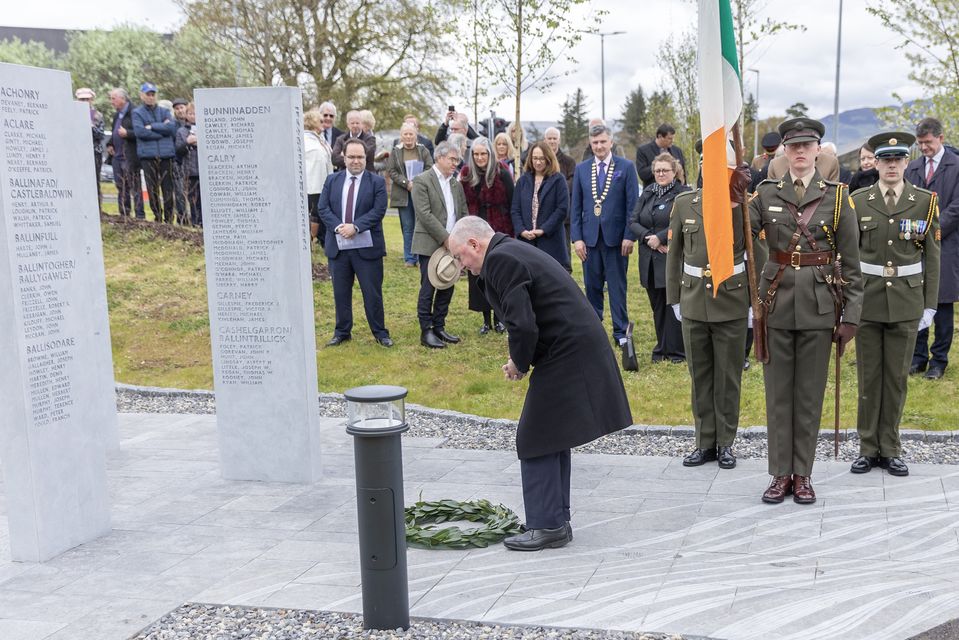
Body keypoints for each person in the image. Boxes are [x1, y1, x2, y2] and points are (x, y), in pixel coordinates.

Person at [447, 216, 633, 551]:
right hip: (571, 346)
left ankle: (547, 525)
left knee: (534, 435)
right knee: (551, 433)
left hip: (569, 350)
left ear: (474, 244)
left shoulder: (501, 259)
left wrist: (518, 363)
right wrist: (521, 358)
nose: (461, 265)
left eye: (461, 256)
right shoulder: (510, 251)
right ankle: (555, 520)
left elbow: (523, 325)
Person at [749, 117, 863, 505]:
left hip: (819, 305)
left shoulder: (837, 196)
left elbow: (851, 261)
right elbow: (741, 236)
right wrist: (731, 199)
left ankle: (803, 474)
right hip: (776, 302)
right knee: (779, 395)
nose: (799, 152)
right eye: (792, 146)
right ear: (783, 150)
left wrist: (851, 316)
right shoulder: (764, 194)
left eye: (806, 146)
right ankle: (780, 473)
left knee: (809, 394)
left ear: (818, 150)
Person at [850, 132, 940, 478]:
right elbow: (848, 255)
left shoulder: (924, 201)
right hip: (869, 300)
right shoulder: (858, 200)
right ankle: (867, 448)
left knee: (896, 379)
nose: (890, 166)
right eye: (884, 160)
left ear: (906, 162)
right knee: (869, 378)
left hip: (906, 301)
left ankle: (890, 448)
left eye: (897, 160)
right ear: (876, 163)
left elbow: (932, 257)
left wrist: (929, 304)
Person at [667, 164, 759, 469]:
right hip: (694, 300)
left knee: (728, 378)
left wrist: (752, 303)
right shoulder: (684, 203)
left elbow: (755, 251)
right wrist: (674, 298)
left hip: (731, 301)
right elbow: (675, 253)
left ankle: (725, 444)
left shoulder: (743, 205)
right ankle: (704, 442)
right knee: (700, 376)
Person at [570, 123, 639, 353]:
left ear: (611, 142)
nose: (599, 146)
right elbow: (576, 207)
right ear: (591, 144)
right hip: (589, 240)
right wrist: (577, 238)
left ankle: (620, 332)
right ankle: (593, 332)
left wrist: (630, 235)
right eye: (595, 142)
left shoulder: (626, 167)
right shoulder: (582, 169)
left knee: (617, 287)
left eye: (603, 142)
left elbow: (633, 206)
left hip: (617, 241)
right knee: (592, 287)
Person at [318, 139, 393, 348]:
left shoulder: (376, 182)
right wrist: (339, 227)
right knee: (340, 292)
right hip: (339, 247)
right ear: (344, 156)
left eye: (360, 157)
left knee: (372, 293)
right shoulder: (332, 180)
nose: (356, 161)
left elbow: (378, 211)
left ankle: (380, 332)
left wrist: (356, 227)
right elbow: (323, 209)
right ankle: (342, 332)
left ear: (365, 157)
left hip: (367, 249)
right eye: (351, 157)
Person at [905, 117, 959, 380]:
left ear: (940, 137)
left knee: (942, 304)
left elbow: (957, 207)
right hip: (915, 246)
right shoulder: (913, 168)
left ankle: (939, 360)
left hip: (945, 246)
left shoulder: (957, 166)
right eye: (920, 143)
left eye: (927, 143)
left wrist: (933, 230)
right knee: (917, 302)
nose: (924, 147)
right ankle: (918, 357)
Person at [630, 153, 690, 363]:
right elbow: (634, 220)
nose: (661, 174)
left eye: (665, 170)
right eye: (657, 171)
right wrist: (649, 238)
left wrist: (662, 237)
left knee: (672, 304)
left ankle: (676, 351)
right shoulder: (648, 192)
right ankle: (662, 348)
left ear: (674, 172)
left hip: (670, 257)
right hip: (649, 258)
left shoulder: (682, 194)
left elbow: (682, 221)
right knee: (657, 306)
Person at [411, 140, 467, 349]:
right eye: (453, 159)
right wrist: (446, 239)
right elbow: (424, 214)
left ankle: (439, 326)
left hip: (453, 244)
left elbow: (462, 212)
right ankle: (426, 331)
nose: (456, 163)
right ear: (439, 157)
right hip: (430, 242)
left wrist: (461, 237)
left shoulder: (455, 183)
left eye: (458, 160)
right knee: (429, 286)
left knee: (447, 284)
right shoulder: (422, 181)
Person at [460, 137, 514, 334]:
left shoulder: (502, 172)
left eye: (483, 153)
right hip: (475, 227)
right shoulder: (466, 173)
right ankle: (485, 319)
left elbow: (512, 200)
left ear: (490, 154)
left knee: (498, 273)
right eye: (476, 154)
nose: (480, 157)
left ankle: (500, 318)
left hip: (499, 226)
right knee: (478, 275)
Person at [511, 141, 570, 272]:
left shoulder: (558, 180)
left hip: (551, 241)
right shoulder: (523, 181)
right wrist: (521, 230)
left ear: (549, 159)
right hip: (526, 241)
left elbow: (562, 209)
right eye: (535, 158)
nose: (538, 162)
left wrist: (543, 230)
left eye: (542, 158)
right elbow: (515, 209)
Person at [387, 122, 433, 267]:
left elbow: (429, 167)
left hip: (420, 193)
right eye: (405, 134)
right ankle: (409, 258)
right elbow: (391, 170)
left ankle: (420, 257)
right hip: (403, 194)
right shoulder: (395, 151)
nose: (408, 137)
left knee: (421, 226)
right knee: (407, 227)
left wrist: (418, 182)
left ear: (415, 135)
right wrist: (406, 183)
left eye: (411, 134)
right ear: (401, 136)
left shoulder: (423, 150)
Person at [132, 82, 178, 223]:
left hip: (166, 156)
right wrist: (161, 131)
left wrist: (152, 126)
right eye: (148, 94)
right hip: (148, 156)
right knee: (152, 190)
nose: (151, 97)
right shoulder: (137, 113)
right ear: (142, 95)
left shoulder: (164, 111)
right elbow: (140, 132)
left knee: (168, 189)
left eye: (153, 94)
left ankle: (169, 219)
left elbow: (171, 128)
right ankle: (158, 216)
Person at [304, 108, 334, 246]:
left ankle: (316, 239)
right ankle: (310, 240)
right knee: (315, 211)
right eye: (320, 121)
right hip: (313, 183)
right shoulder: (307, 140)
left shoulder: (318, 139)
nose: (324, 123)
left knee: (318, 212)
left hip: (322, 180)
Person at [106, 88, 137, 217]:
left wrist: (128, 133)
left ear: (123, 99)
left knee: (134, 187)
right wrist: (110, 144)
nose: (111, 102)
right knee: (121, 187)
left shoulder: (135, 113)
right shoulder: (116, 115)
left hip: (129, 157)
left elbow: (141, 132)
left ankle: (140, 216)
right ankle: (124, 213)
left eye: (113, 98)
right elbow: (115, 133)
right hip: (117, 157)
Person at [75, 88, 104, 212]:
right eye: (82, 99)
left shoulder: (97, 115)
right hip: (77, 153)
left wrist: (91, 126)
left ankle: (97, 209)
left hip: (94, 152)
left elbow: (100, 135)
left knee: (95, 181)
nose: (84, 101)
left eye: (87, 99)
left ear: (91, 99)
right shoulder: (71, 114)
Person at [174, 103, 202, 227]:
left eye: (195, 113)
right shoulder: (181, 131)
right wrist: (188, 142)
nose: (193, 116)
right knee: (193, 198)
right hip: (190, 171)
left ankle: (204, 222)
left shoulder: (207, 127)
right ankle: (195, 222)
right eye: (190, 114)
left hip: (204, 170)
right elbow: (178, 150)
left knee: (204, 199)